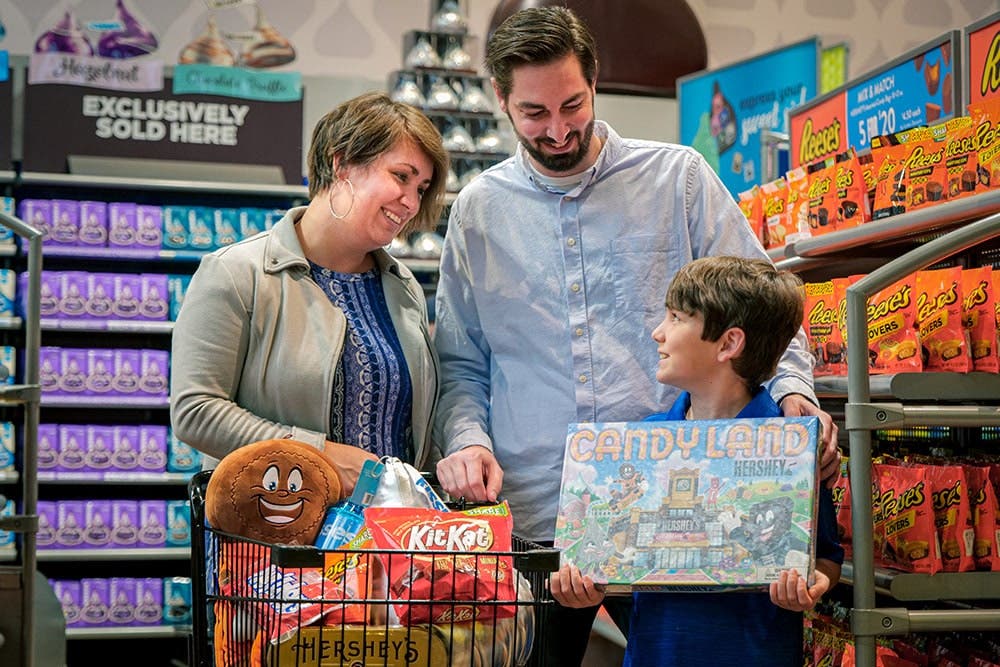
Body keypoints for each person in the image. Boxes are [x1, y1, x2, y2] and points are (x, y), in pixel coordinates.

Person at [431, 6, 840, 664]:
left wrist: (794, 396)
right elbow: (461, 362)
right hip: (536, 517)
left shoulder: (677, 179)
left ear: (595, 81)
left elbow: (765, 302)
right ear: (500, 100)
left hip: (673, 516)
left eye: (573, 103)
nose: (559, 130)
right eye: (535, 114)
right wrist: (467, 438)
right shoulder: (478, 211)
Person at [549, 255, 844, 666]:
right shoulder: (642, 442)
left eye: (675, 318)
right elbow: (611, 559)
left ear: (728, 344)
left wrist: (813, 584)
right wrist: (585, 586)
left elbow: (828, 553)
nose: (657, 333)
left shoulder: (789, 447)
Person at [171, 92, 448, 494]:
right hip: (274, 536)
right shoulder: (237, 273)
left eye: (421, 188)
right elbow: (196, 412)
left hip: (385, 543)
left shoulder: (402, 287)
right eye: (401, 176)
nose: (410, 202)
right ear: (342, 163)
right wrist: (317, 454)